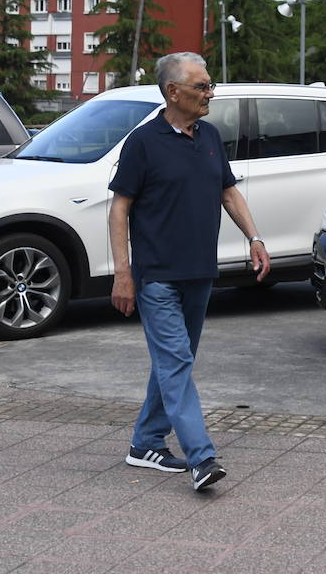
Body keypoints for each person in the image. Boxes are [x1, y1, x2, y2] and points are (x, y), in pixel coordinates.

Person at [108, 52, 270, 491]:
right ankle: (202, 458)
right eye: (201, 87)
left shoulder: (211, 135)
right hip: (157, 274)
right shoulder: (143, 142)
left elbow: (228, 191)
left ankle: (145, 443)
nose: (209, 94)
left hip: (199, 270)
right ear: (172, 91)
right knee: (176, 361)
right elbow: (119, 208)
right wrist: (123, 273)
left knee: (174, 361)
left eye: (210, 85)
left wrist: (254, 237)